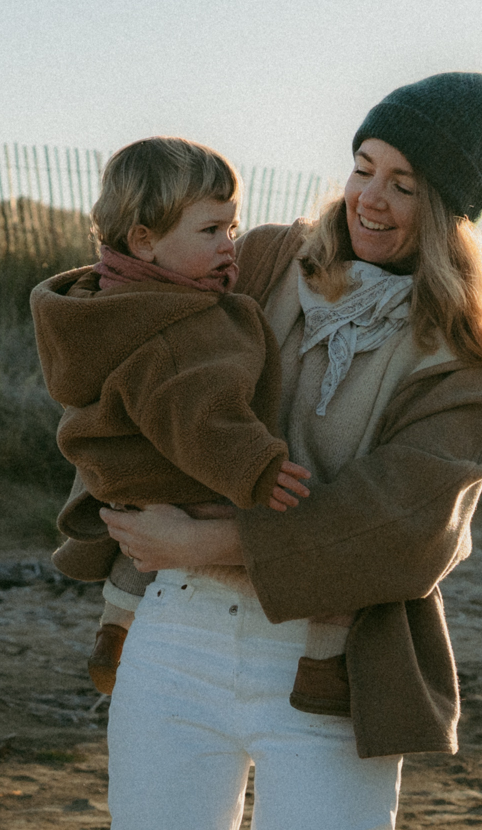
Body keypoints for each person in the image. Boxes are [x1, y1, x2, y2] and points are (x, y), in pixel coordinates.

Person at [99, 73, 482, 830]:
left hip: (330, 671)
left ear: (449, 207)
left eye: (404, 184)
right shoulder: (265, 261)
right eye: (364, 167)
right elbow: (137, 339)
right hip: (177, 638)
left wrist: (204, 537)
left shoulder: (471, 357)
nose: (370, 197)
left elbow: (403, 526)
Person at [30, 136, 314, 695]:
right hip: (171, 463)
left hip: (115, 468)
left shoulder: (106, 300)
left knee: (137, 533)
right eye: (210, 232)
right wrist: (255, 466)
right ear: (145, 241)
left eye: (232, 230)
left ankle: (114, 627)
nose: (230, 247)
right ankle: (322, 656)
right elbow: (197, 413)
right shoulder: (174, 327)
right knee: (255, 524)